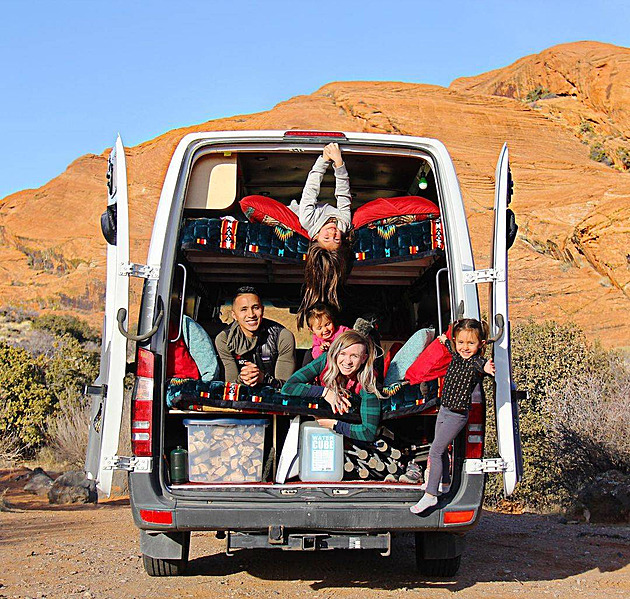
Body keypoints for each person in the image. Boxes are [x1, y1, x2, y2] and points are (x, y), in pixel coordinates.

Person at [410, 319, 495, 515]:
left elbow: (484, 366)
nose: (465, 348)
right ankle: (445, 483)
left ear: (481, 344)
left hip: (457, 415)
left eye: (471, 343)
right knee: (440, 449)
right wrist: (443, 339)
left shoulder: (475, 363)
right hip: (445, 409)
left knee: (435, 450)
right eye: (461, 343)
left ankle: (431, 494)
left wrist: (489, 369)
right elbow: (448, 343)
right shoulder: (456, 355)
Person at [291, 143, 353, 328]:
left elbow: (311, 191)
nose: (333, 233)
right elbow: (343, 195)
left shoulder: (308, 221)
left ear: (315, 237)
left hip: (301, 207)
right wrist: (339, 164)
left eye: (327, 238)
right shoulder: (343, 225)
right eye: (336, 239)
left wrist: (323, 161)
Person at [281, 330, 383, 443]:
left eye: (354, 356)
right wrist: (325, 392)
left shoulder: (368, 383)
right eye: (342, 354)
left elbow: (368, 432)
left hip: (350, 437)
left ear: (364, 358)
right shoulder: (325, 361)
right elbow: (289, 387)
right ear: (335, 353)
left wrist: (333, 424)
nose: (347, 361)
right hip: (315, 427)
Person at [215, 286, 296, 389]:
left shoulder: (283, 336)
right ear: (234, 315)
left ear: (262, 310)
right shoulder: (224, 339)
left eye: (256, 308)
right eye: (244, 309)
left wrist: (263, 379)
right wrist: (243, 378)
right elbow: (230, 385)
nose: (251, 314)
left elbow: (285, 387)